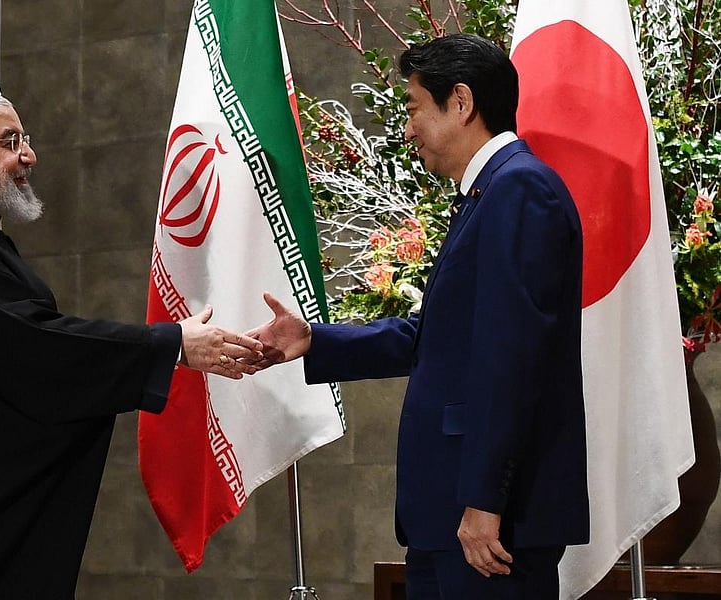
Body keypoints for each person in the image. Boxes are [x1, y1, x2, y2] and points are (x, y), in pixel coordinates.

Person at [0, 64, 263, 599]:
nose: (29, 156)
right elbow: (35, 351)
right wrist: (171, 344)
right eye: (10, 141)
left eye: (26, 139)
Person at [248, 34, 588, 599]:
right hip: (448, 517)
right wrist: (314, 340)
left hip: (487, 523)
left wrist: (484, 501)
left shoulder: (520, 190)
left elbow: (513, 362)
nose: (406, 130)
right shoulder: (488, 195)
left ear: (460, 102)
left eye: (412, 109)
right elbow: (437, 336)